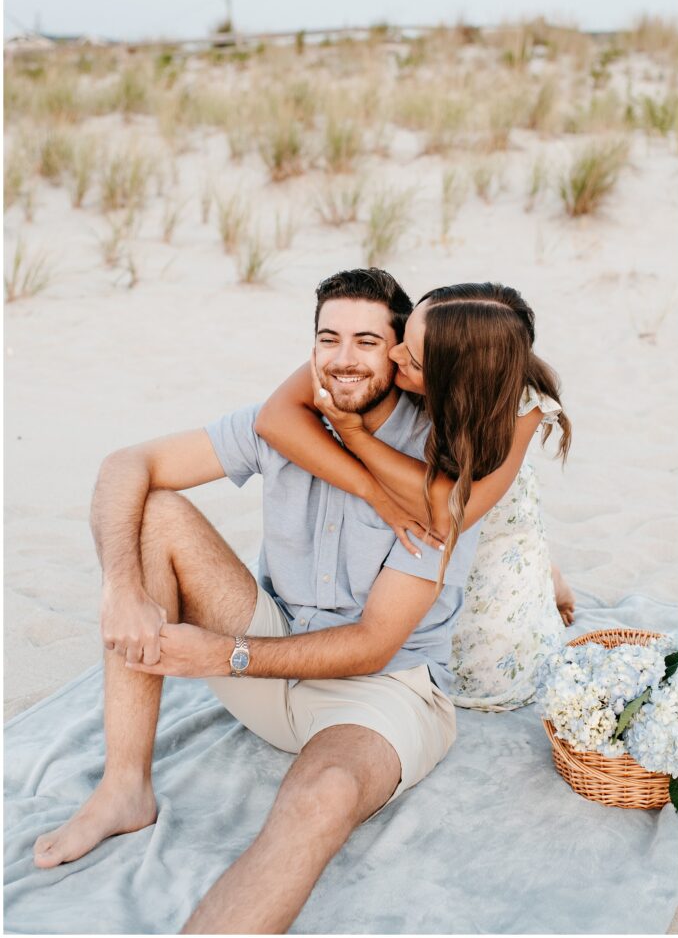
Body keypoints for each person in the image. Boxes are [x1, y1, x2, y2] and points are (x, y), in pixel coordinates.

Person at [33, 269, 502, 935]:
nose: (343, 358)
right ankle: (123, 790)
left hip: (379, 692)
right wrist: (120, 587)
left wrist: (226, 655)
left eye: (366, 340)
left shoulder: (442, 465)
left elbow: (373, 644)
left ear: (401, 358)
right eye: (327, 338)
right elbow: (125, 464)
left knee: (323, 796)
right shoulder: (285, 422)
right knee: (156, 512)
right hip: (269, 648)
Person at [256, 280, 574, 712]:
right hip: (412, 524)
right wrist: (369, 487)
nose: (392, 354)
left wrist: (354, 436)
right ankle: (550, 576)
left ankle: (548, 581)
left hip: (467, 527)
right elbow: (275, 417)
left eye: (413, 359)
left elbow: (449, 515)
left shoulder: (520, 406)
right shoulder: (419, 337)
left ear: (454, 377)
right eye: (403, 339)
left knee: (484, 655)